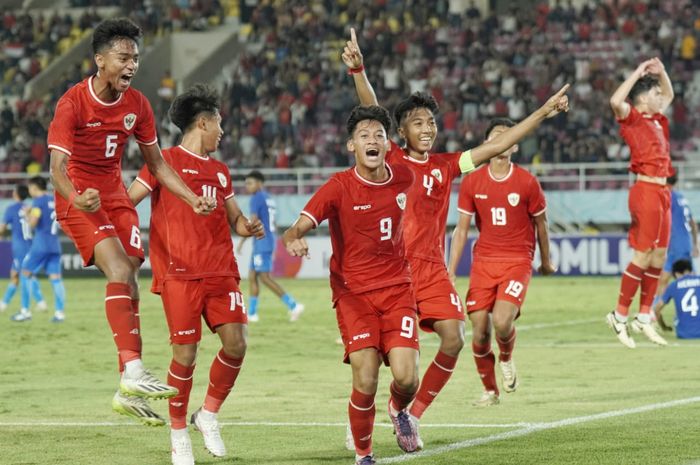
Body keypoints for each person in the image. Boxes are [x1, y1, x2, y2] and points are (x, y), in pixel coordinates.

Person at [341, 27, 568, 434]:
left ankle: (409, 414)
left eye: (431, 122)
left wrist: (542, 113)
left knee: (454, 338)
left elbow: (496, 147)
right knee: (378, 357)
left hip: (429, 269)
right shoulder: (392, 160)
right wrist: (358, 70)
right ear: (402, 133)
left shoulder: (448, 165)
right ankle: (365, 416)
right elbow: (372, 108)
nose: (427, 128)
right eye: (416, 123)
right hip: (392, 272)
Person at [46, 18, 214, 425]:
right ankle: (135, 369)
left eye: (135, 58)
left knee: (130, 278)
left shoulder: (137, 104)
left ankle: (126, 384)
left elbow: (156, 164)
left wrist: (192, 197)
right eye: (123, 57)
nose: (131, 65)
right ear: (100, 60)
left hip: (116, 197)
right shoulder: (72, 103)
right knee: (119, 268)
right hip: (79, 197)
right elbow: (56, 168)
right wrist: (75, 197)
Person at [129, 84, 264, 465]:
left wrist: (246, 227)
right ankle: (178, 435)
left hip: (221, 271)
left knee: (237, 343)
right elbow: (129, 200)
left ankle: (207, 414)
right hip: (180, 273)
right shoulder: (162, 161)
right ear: (203, 122)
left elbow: (234, 219)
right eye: (219, 123)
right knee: (185, 356)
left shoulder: (221, 172)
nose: (222, 131)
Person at [284, 105, 420, 465]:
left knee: (407, 379)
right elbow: (296, 226)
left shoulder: (404, 178)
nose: (371, 140)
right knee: (366, 376)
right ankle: (364, 455)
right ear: (351, 146)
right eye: (363, 136)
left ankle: (397, 409)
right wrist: (294, 237)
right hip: (354, 295)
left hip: (397, 290)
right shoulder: (338, 187)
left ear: (388, 144)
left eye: (378, 135)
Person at [447, 118, 556, 406]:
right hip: (483, 262)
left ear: (515, 145)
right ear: (487, 144)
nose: (503, 140)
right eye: (497, 136)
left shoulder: (527, 182)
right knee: (480, 328)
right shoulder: (472, 181)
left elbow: (541, 224)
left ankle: (506, 358)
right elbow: (461, 229)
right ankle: (490, 390)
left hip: (518, 260)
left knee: (502, 320)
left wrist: (546, 261)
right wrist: (450, 270)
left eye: (509, 136)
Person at [607, 57, 674, 348]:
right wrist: (637, 72)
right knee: (643, 255)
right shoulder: (632, 117)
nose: (662, 97)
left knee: (659, 256)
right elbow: (615, 100)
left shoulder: (658, 119)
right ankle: (619, 315)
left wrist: (662, 73)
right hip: (645, 189)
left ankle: (644, 316)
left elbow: (669, 94)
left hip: (662, 192)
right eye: (656, 94)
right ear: (644, 98)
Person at [237, 170, 303, 322]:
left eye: (250, 183)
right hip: (267, 239)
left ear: (259, 183)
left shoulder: (256, 198)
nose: (247, 186)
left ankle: (293, 305)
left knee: (264, 277)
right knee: (253, 275)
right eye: (246, 183)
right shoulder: (269, 198)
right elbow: (273, 222)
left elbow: (253, 222)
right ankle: (252, 313)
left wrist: (241, 241)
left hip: (262, 241)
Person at [10, 177, 65, 323]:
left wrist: (28, 213)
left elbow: (33, 223)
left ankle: (25, 312)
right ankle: (60, 313)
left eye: (30, 188)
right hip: (55, 244)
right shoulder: (54, 199)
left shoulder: (38, 202)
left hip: (41, 244)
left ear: (34, 188)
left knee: (25, 273)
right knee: (56, 279)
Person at [0, 184, 47, 314]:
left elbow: (2, 229)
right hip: (30, 244)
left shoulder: (11, 209)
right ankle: (4, 303)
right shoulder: (29, 207)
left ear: (16, 194)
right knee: (15, 275)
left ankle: (40, 302)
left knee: (26, 275)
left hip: (20, 247)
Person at [654, 174, 698, 304]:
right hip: (682, 242)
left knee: (690, 278)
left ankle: (693, 309)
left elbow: (666, 223)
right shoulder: (681, 197)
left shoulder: (667, 197)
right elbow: (692, 223)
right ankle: (653, 309)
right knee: (664, 278)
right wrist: (695, 244)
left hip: (678, 243)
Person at [654, 259, 700, 339]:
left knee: (677, 318)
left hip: (684, 334)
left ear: (676, 274)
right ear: (690, 270)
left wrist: (663, 326)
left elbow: (657, 309)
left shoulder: (674, 285)